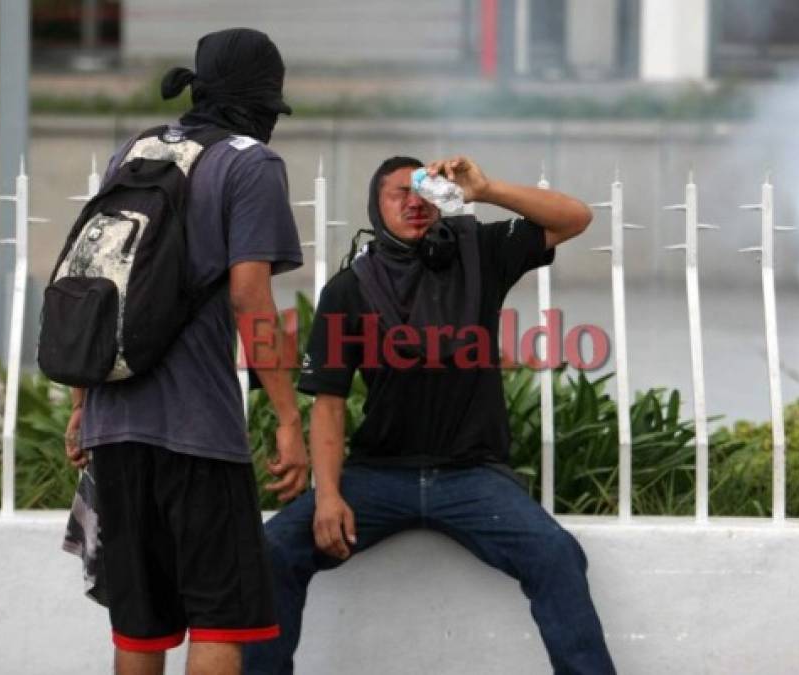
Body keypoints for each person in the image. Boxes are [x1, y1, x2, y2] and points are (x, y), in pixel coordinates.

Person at [244, 156, 615, 674]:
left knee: (556, 555)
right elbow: (327, 404)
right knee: (273, 550)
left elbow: (574, 217)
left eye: (426, 192)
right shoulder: (349, 289)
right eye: (399, 193)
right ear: (376, 206)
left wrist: (483, 188)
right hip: (377, 477)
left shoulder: (480, 252)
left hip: (472, 476)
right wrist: (327, 495)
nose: (414, 203)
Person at [63, 28, 308, 675]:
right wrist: (287, 418)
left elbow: (95, 276)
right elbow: (251, 297)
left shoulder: (136, 149)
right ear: (260, 102)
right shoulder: (249, 163)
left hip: (115, 423)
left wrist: (82, 400)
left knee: (140, 628)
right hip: (196, 430)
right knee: (222, 616)